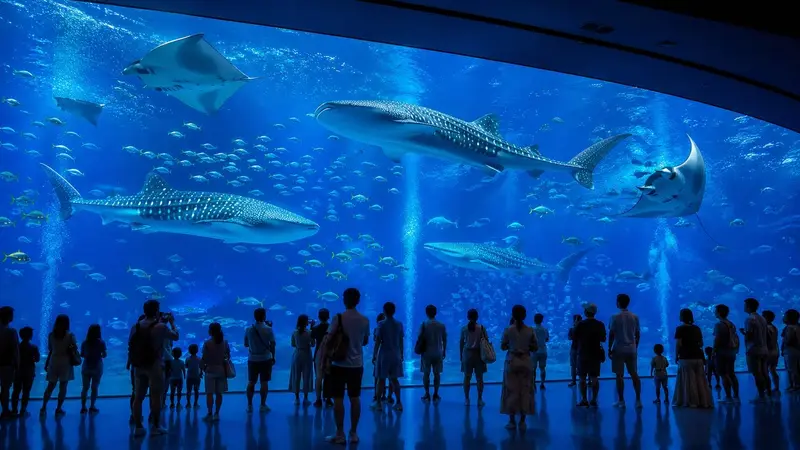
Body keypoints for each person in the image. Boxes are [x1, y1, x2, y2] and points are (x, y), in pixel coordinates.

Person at [325, 287, 370, 445]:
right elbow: (365, 341)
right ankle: (353, 433)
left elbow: (328, 339)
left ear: (344, 300)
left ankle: (339, 433)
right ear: (358, 301)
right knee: (355, 398)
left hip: (339, 363)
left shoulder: (338, 318)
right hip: (356, 364)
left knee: (338, 398)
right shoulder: (365, 320)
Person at [129, 300, 179, 437]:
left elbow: (131, 344)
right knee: (156, 397)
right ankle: (156, 427)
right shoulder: (161, 327)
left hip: (139, 366)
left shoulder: (135, 326)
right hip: (155, 365)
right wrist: (172, 322)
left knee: (138, 397)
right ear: (157, 310)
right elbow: (176, 336)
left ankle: (138, 427)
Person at [500, 305, 537, 430]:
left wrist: (512, 346)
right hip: (526, 361)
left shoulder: (508, 330)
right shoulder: (530, 330)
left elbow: (503, 346)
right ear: (525, 315)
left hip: (512, 361)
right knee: (525, 390)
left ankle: (511, 421)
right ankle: (522, 421)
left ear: (512, 315)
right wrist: (526, 348)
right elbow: (535, 347)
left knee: (511, 391)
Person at [672, 308, 713, 408]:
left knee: (687, 380)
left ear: (682, 317)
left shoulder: (680, 329)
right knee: (700, 379)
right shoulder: (697, 328)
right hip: (698, 356)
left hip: (686, 357)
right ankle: (704, 401)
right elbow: (701, 343)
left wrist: (676, 355)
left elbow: (678, 344)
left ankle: (690, 401)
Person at [608, 293, 642, 409]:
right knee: (634, 374)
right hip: (631, 349)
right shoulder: (635, 317)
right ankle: (638, 400)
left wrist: (609, 348)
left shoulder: (614, 317)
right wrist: (635, 346)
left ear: (618, 303)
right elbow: (637, 334)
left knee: (619, 375)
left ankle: (621, 400)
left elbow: (611, 334)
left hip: (618, 348)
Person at [41, 314, 77, 417]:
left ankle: (43, 407)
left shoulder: (51, 335)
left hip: (54, 360)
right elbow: (74, 349)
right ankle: (59, 408)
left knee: (50, 386)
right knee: (63, 386)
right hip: (65, 362)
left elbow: (50, 350)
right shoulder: (70, 336)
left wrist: (47, 362)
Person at [372, 301, 404, 412]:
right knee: (394, 380)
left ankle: (379, 403)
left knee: (381, 379)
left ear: (384, 311)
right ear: (394, 311)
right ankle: (399, 402)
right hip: (396, 354)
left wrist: (374, 355)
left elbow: (378, 341)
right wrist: (402, 354)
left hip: (384, 354)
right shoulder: (399, 324)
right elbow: (401, 341)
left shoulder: (381, 324)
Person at [244, 307, 275, 413]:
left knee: (251, 382)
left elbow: (246, 344)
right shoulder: (268, 329)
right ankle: (262, 405)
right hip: (266, 358)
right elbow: (273, 344)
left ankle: (249, 405)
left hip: (252, 359)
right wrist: (273, 357)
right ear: (264, 316)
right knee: (264, 382)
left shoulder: (248, 329)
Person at [574, 303, 606, 407]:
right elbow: (603, 339)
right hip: (595, 354)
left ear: (586, 312)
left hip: (582, 353)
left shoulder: (580, 324)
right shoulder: (600, 324)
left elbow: (574, 337)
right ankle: (594, 399)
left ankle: (584, 399)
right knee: (594, 378)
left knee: (582, 378)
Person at [740, 297, 771, 403]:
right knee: (764, 372)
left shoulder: (749, 319)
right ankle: (768, 392)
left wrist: (743, 333)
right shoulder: (762, 318)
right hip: (764, 349)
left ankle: (761, 395)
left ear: (748, 307)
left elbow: (749, 336)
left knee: (757, 373)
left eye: (745, 305)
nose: (743, 307)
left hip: (754, 349)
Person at [202, 322, 230, 421]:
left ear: (210, 331)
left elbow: (204, 358)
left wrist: (202, 369)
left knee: (209, 393)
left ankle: (209, 413)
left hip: (210, 370)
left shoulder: (207, 343)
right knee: (219, 393)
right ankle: (217, 413)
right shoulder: (225, 342)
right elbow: (228, 356)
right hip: (221, 370)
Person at [712, 303, 740, 403]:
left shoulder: (719, 325)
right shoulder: (731, 324)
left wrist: (713, 351)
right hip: (731, 351)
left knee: (723, 374)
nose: (714, 312)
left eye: (715, 311)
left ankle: (728, 396)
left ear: (719, 312)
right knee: (731, 373)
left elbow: (717, 339)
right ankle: (736, 395)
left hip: (722, 352)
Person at [418, 304, 447, 403]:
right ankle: (436, 393)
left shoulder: (424, 324)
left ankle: (427, 393)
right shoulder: (441, 325)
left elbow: (419, 338)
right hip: (438, 352)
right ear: (436, 313)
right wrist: (444, 351)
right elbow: (444, 340)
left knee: (426, 374)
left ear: (426, 313)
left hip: (426, 353)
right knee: (437, 374)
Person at [460, 308, 487, 406]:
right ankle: (480, 399)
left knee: (467, 377)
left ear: (467, 317)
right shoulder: (482, 328)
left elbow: (461, 343)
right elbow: (486, 341)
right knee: (479, 378)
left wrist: (461, 356)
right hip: (479, 354)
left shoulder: (464, 328)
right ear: (477, 317)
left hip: (467, 354)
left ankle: (467, 399)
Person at [11, 326, 38, 417]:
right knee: (26, 391)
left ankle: (14, 410)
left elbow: (13, 358)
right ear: (30, 336)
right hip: (29, 371)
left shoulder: (17, 346)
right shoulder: (33, 347)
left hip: (18, 371)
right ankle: (23, 410)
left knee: (16, 391)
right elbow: (37, 359)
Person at [79, 324, 106, 414]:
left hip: (86, 366)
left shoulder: (84, 342)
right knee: (94, 387)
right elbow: (104, 355)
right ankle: (92, 406)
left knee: (85, 387)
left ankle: (83, 407)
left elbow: (82, 354)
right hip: (97, 366)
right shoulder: (101, 342)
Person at [290, 314, 314, 405]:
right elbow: (312, 344)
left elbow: (292, 344)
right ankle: (305, 398)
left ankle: (296, 398)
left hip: (297, 354)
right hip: (307, 354)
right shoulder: (309, 332)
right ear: (306, 322)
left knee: (296, 376)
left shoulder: (294, 332)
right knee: (306, 376)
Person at [0, 306, 19, 419]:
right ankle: (5, 411)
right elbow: (15, 350)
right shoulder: (11, 331)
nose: (13, 317)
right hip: (6, 365)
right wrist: (17, 365)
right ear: (7, 316)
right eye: (11, 314)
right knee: (5, 388)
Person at [311, 308, 332, 407]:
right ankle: (328, 399)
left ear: (319, 317)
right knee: (329, 377)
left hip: (318, 354)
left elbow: (312, 343)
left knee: (318, 378)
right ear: (328, 317)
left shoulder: (315, 328)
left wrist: (311, 328)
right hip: (330, 355)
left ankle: (318, 399)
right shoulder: (332, 327)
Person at [762, 310, 781, 396]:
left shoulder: (766, 328)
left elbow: (767, 340)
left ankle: (767, 389)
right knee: (773, 370)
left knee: (765, 371)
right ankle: (776, 387)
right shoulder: (774, 327)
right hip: (775, 351)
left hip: (768, 352)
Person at [781, 309, 800, 392]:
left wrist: (784, 345)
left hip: (790, 351)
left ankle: (795, 385)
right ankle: (793, 385)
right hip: (796, 350)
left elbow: (788, 340)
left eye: (785, 316)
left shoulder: (790, 327)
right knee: (796, 368)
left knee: (791, 369)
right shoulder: (798, 326)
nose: (783, 317)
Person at [531, 313, 549, 391]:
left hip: (534, 351)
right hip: (543, 350)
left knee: (533, 368)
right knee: (542, 368)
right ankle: (542, 384)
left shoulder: (532, 329)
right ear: (542, 320)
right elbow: (547, 339)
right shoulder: (545, 329)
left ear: (534, 320)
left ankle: (533, 383)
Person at [185, 344, 202, 408]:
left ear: (189, 351)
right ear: (197, 350)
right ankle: (195, 403)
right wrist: (200, 374)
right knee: (196, 390)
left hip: (189, 377)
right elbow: (201, 367)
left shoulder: (187, 359)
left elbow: (186, 366)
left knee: (188, 391)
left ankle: (188, 403)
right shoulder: (199, 359)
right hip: (197, 377)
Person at [567, 314, 581, 387]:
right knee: (582, 365)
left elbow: (569, 338)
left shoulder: (572, 329)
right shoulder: (584, 329)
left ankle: (574, 381)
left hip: (574, 348)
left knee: (573, 365)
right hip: (581, 349)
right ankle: (587, 381)